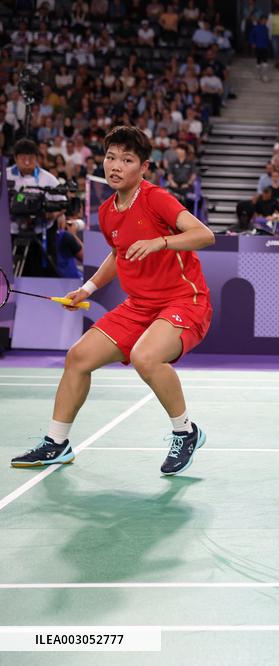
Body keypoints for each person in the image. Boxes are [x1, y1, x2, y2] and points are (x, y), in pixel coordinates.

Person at [10, 126, 216, 475]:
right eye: (110, 158)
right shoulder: (107, 211)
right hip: (140, 305)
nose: (116, 166)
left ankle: (186, 431)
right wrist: (87, 289)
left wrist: (160, 243)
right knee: (78, 357)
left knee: (145, 357)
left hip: (184, 300)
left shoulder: (156, 199)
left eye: (127, 159)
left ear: (144, 167)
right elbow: (117, 256)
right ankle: (57, 443)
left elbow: (204, 235)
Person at [6, 138, 65, 276]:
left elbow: (63, 204)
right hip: (10, 235)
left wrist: (53, 215)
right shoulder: (5, 176)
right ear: (15, 158)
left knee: (40, 275)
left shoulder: (48, 179)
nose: (27, 162)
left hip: (39, 235)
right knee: (8, 275)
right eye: (22, 158)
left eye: (31, 158)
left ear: (37, 158)